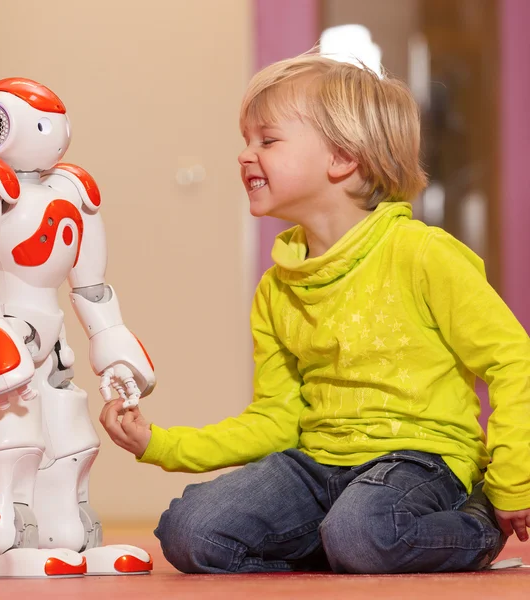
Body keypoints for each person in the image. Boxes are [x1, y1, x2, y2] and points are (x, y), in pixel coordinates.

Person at [100, 52, 530, 574]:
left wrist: (514, 477)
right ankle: (351, 545)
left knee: (361, 532)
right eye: (245, 139)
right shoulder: (277, 288)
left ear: (343, 158)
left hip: (422, 460)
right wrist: (160, 443)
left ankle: (472, 523)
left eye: (267, 139)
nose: (244, 155)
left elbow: (512, 361)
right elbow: (276, 420)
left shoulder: (423, 255)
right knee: (190, 532)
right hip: (318, 464)